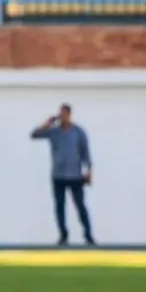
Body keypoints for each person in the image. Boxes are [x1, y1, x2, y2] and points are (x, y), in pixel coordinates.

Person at [30, 103, 95, 246]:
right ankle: (63, 235)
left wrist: (89, 171)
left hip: (75, 175)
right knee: (60, 207)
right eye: (60, 115)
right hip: (58, 175)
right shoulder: (54, 131)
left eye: (64, 114)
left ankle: (88, 235)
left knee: (80, 205)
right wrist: (47, 123)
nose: (61, 117)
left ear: (69, 114)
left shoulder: (78, 132)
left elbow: (86, 153)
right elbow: (34, 134)